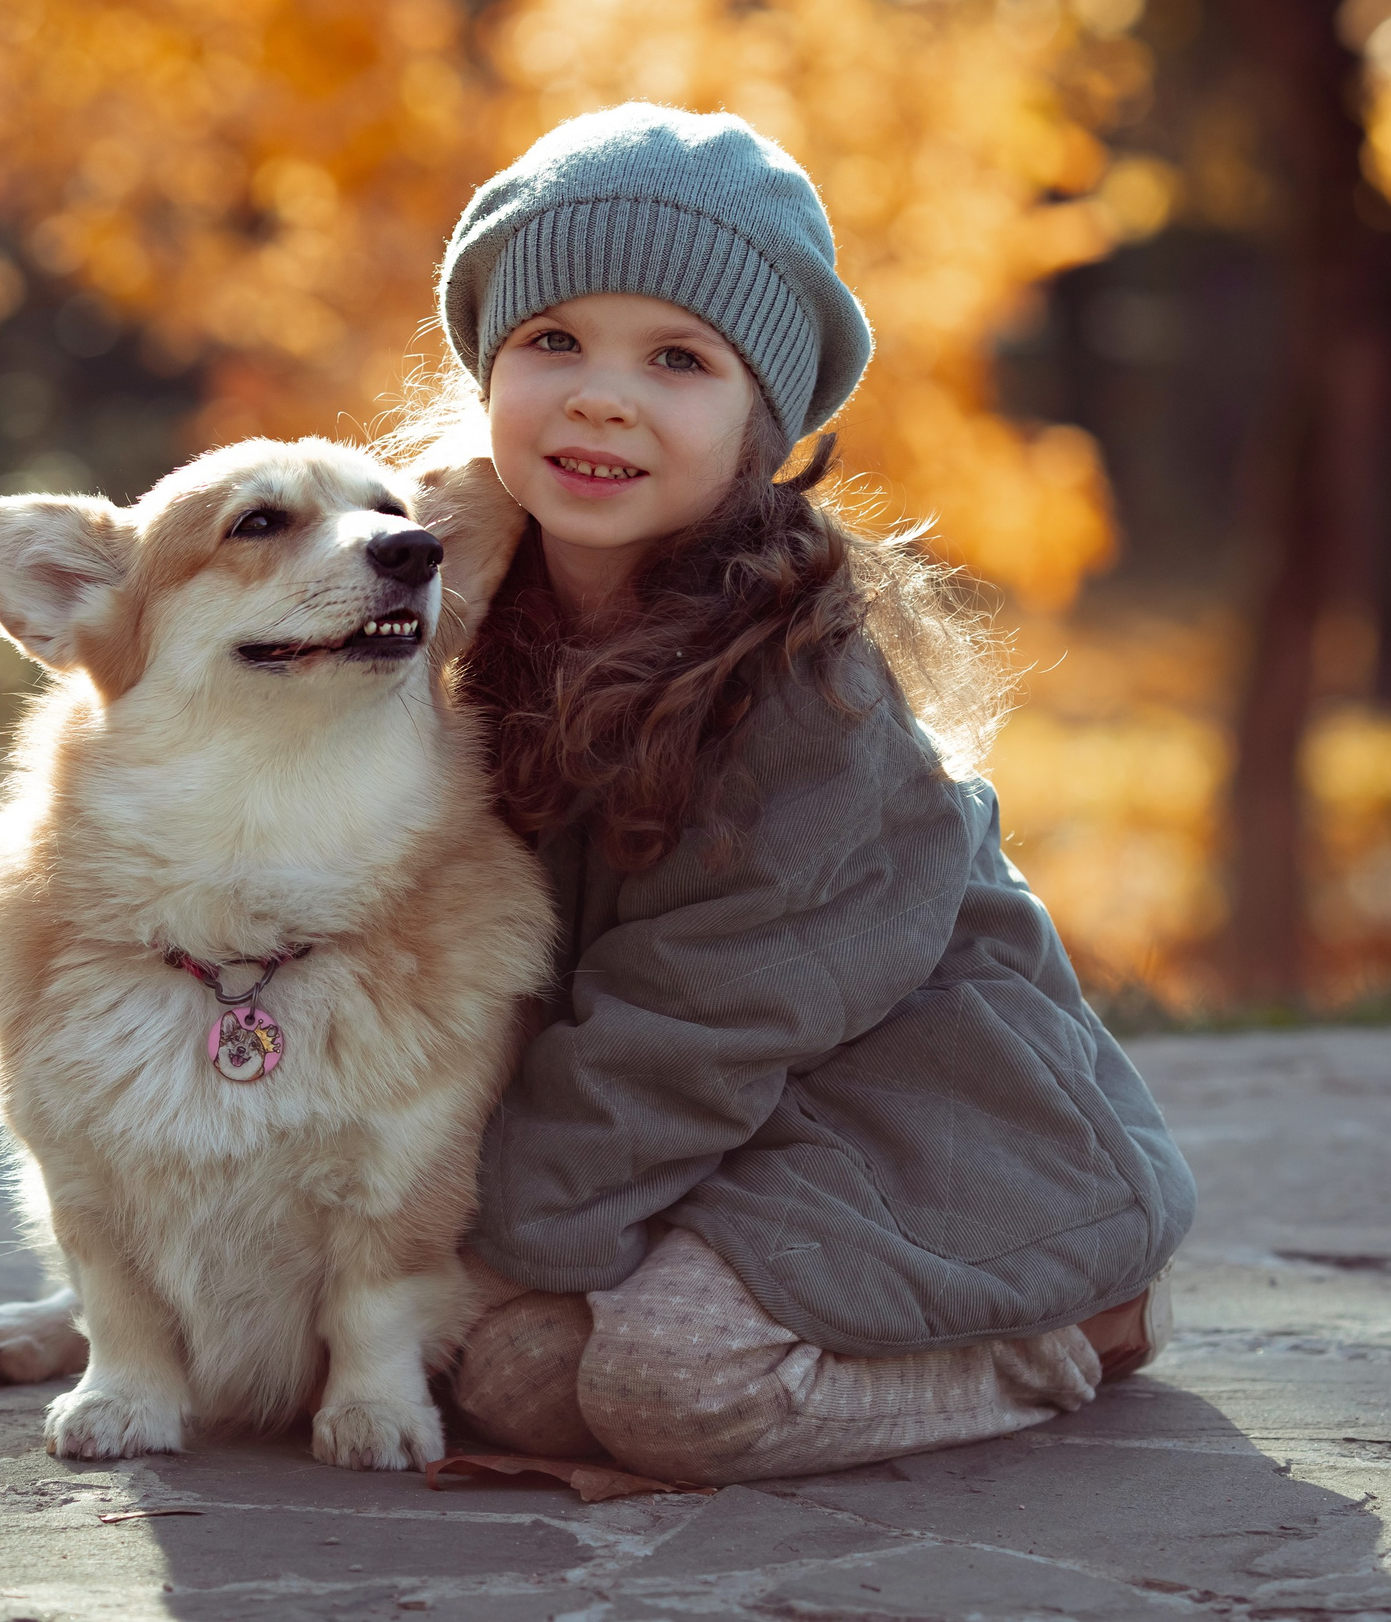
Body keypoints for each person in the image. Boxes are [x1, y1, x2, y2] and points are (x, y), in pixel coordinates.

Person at [401, 102, 1195, 1487]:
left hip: (917, 1104)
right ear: (487, 367)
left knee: (667, 1389)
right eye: (553, 341)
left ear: (760, 421)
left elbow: (704, 1010)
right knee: (508, 1376)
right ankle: (690, 1308)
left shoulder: (799, 687)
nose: (600, 396)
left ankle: (1065, 1331)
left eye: (677, 360)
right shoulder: (447, 581)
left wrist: (494, 1230)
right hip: (703, 1121)